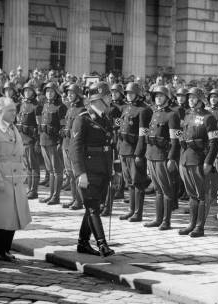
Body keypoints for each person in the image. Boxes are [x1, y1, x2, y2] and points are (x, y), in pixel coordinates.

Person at [0, 97, 32, 262]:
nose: (14, 113)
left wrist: (24, 171)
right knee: (0, 216)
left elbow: (20, 152)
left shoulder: (13, 128)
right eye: (10, 110)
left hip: (16, 177)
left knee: (14, 215)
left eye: (14, 110)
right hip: (2, 176)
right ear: (0, 110)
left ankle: (6, 249)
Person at [70, 93, 116, 257]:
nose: (110, 100)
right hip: (88, 171)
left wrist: (111, 169)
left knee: (93, 207)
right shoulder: (82, 119)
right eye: (107, 97)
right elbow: (75, 149)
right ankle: (102, 244)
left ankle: (83, 243)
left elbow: (108, 146)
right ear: (97, 100)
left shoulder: (105, 118)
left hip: (102, 169)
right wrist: (80, 173)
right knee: (92, 208)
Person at [178, 87, 218, 237]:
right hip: (186, 158)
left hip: (199, 160)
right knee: (191, 194)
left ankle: (199, 226)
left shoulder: (209, 118)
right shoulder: (188, 115)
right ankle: (191, 224)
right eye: (189, 97)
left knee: (202, 195)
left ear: (201, 100)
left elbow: (215, 142)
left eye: (194, 97)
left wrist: (208, 162)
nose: (190, 100)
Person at [142, 86, 180, 230]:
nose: (158, 97)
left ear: (167, 98)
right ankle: (158, 218)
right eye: (156, 95)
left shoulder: (172, 115)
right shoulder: (154, 113)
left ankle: (166, 221)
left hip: (163, 156)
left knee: (166, 190)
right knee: (157, 189)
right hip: (151, 154)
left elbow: (175, 140)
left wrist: (172, 158)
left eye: (161, 95)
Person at [118, 82, 152, 222]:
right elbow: (121, 128)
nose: (129, 95)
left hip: (134, 151)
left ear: (138, 94)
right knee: (129, 182)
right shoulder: (126, 108)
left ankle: (138, 212)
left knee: (138, 182)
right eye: (127, 93)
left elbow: (143, 135)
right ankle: (131, 210)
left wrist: (139, 154)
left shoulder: (144, 110)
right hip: (124, 149)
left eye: (131, 93)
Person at [38, 82, 67, 205]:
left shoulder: (61, 107)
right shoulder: (44, 105)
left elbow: (63, 127)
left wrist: (60, 142)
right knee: (50, 171)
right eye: (47, 91)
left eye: (51, 91)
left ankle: (56, 196)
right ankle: (51, 195)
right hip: (44, 140)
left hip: (54, 142)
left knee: (57, 171)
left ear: (56, 93)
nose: (49, 93)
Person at [62, 84, 86, 209]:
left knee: (76, 174)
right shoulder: (69, 108)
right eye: (68, 93)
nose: (69, 95)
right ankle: (74, 198)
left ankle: (80, 200)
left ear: (78, 95)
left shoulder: (81, 110)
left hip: (73, 146)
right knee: (70, 174)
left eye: (72, 93)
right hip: (65, 144)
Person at [16, 82, 41, 199]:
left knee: (34, 166)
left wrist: (37, 141)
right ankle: (29, 189)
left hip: (31, 140)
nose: (27, 92)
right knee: (28, 167)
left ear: (33, 92)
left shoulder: (37, 106)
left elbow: (39, 126)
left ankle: (34, 190)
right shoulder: (21, 105)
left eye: (29, 91)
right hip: (22, 139)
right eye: (25, 90)